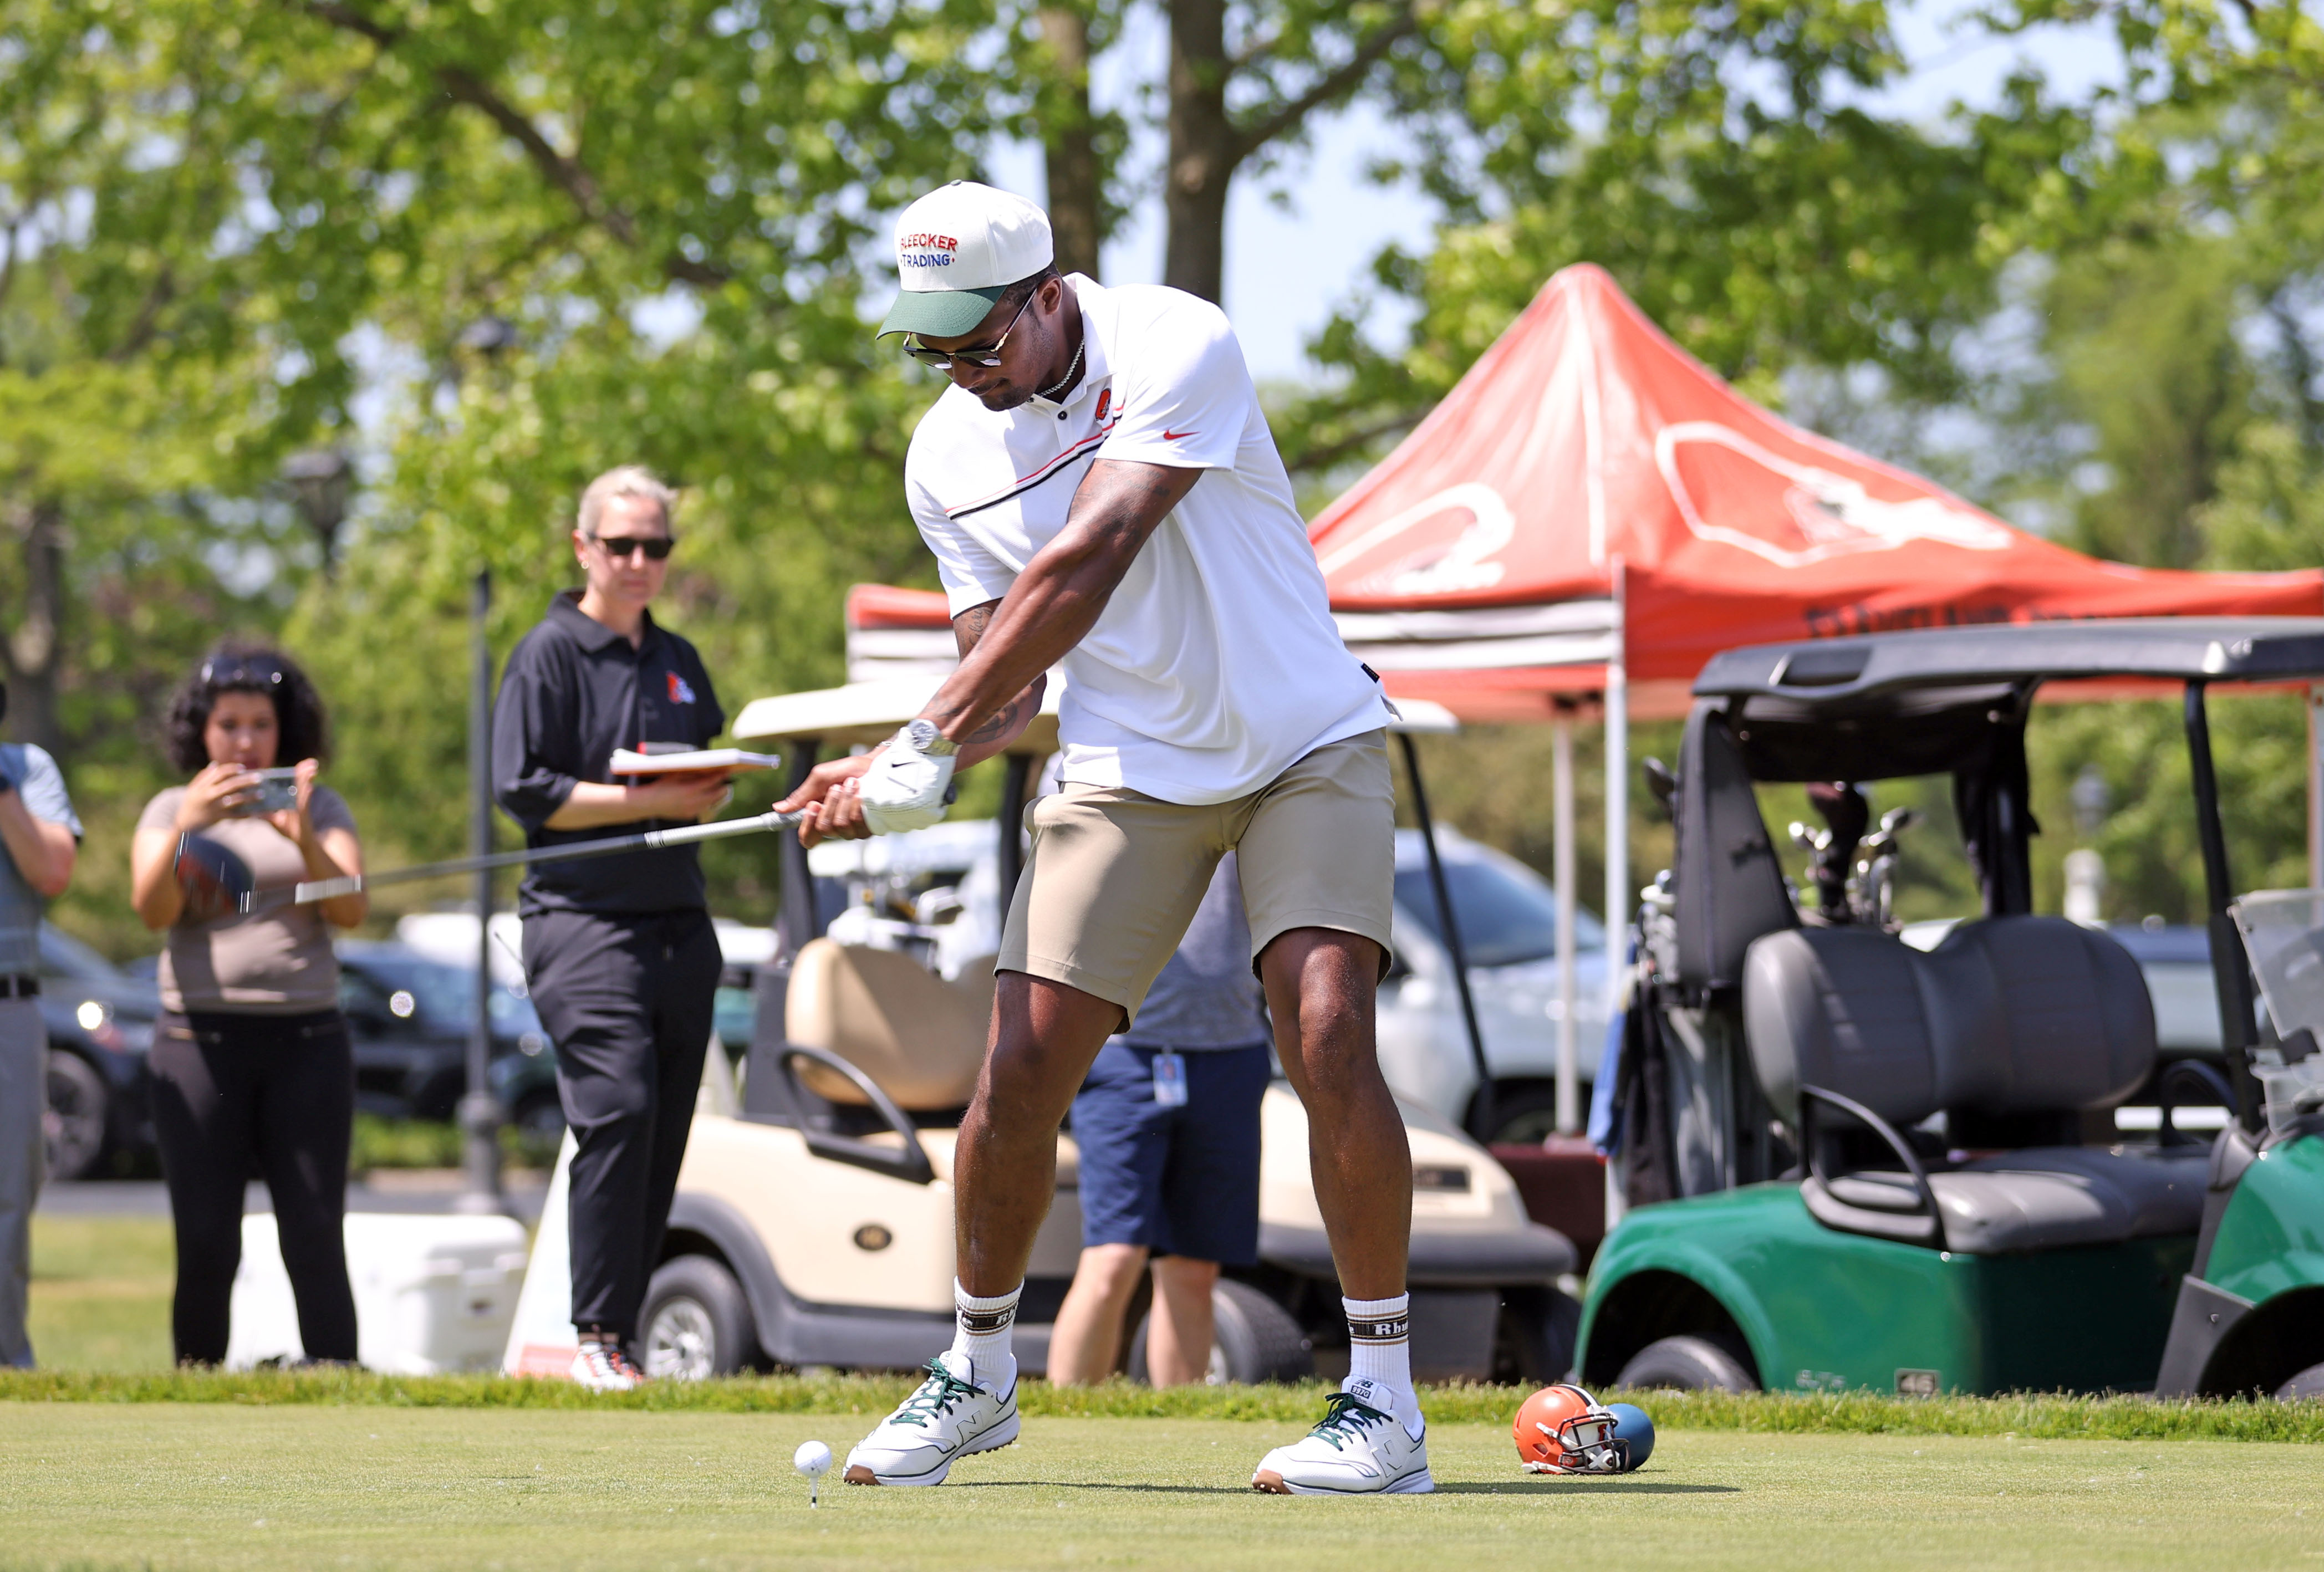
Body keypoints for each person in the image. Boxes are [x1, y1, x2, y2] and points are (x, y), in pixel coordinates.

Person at [783, 182, 1426, 1494]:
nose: (960, 369)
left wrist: (921, 729)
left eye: (980, 338)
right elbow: (1009, 687)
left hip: (1306, 733)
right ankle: (975, 1370)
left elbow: (1097, 550)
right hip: (1129, 767)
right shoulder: (942, 461)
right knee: (1015, 1072)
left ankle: (1381, 1400)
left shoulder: (1173, 339)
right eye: (933, 345)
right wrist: (913, 759)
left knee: (1323, 1027)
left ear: (1045, 296)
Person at [492, 465, 730, 1392]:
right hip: (580, 922)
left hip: (678, 920)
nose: (640, 561)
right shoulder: (547, 653)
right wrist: (652, 800)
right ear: (584, 546)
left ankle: (619, 1339)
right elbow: (525, 790)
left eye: (656, 546)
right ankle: (592, 1333)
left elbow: (700, 768)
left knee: (665, 1124)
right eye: (622, 544)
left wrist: (698, 790)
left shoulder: (677, 657)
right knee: (618, 1107)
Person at [128, 645, 366, 1366]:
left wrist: (301, 840)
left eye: (260, 724)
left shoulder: (318, 807)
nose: (243, 740)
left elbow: (352, 907)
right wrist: (188, 830)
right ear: (201, 731)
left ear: (283, 730)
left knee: (315, 1232)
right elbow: (149, 908)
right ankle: (195, 1392)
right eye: (228, 724)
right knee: (204, 1238)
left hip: (307, 1045)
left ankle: (339, 1385)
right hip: (199, 1045)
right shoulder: (171, 809)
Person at [1046, 853, 1271, 1386]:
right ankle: (1065, 1424)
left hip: (1231, 1053)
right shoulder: (1081, 766)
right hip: (1124, 1051)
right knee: (1115, 1258)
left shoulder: (1256, 770)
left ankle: (1180, 1429)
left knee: (1194, 1268)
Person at [0, 681, 81, 1370]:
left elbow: (52, 869)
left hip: (8, 1006)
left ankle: (5, 1366)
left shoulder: (27, 769)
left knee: (7, 1193)